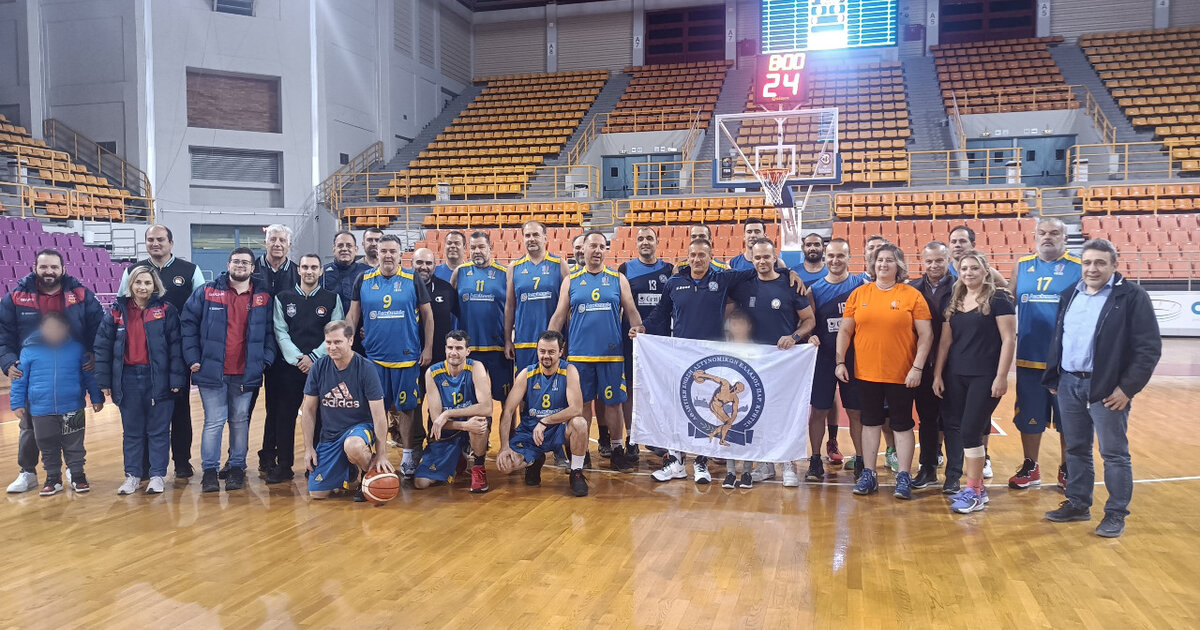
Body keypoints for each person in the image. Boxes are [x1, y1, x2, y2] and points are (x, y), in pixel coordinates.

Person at [642, 237, 799, 484]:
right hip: (681, 356)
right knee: (678, 408)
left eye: (702, 255)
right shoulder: (674, 283)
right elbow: (660, 313)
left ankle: (701, 462)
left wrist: (787, 271)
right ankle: (676, 463)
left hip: (710, 356)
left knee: (704, 411)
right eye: (693, 255)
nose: (697, 259)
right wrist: (642, 328)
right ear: (687, 257)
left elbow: (757, 269)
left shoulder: (722, 279)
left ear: (711, 257)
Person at [1042, 239, 1161, 538]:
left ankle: (1116, 513)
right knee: (1076, 448)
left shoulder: (1131, 296)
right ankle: (1078, 504)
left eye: (1100, 263)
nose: (1092, 269)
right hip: (1069, 383)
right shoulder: (1070, 293)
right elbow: (1059, 337)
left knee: (1114, 453)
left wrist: (1127, 388)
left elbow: (1148, 348)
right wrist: (1055, 377)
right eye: (1087, 263)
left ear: (1114, 265)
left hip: (1108, 388)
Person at [835, 243, 933, 500]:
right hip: (866, 374)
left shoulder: (912, 295)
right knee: (870, 424)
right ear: (873, 264)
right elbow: (845, 330)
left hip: (902, 375)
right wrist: (840, 361)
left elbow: (926, 335)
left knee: (902, 425)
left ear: (898, 265)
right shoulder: (859, 294)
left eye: (889, 260)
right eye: (880, 260)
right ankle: (869, 474)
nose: (884, 264)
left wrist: (917, 367)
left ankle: (903, 475)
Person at [1, 249, 103, 494]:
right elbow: (3, 332)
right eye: (44, 267)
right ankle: (28, 472)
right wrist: (8, 361)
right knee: (30, 428)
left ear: (63, 269)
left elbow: (98, 327)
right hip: (34, 373)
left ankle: (74, 470)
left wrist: (94, 353)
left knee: (72, 429)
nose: (49, 271)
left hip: (71, 371)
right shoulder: (16, 296)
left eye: (54, 267)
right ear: (35, 268)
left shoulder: (81, 294)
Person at [181, 247, 278, 493]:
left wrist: (265, 360)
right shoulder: (207, 291)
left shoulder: (263, 297)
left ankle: (237, 467)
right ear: (228, 264)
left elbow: (271, 332)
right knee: (214, 422)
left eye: (245, 262)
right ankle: (209, 471)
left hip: (246, 372)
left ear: (253, 268)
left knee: (239, 422)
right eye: (236, 261)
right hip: (211, 371)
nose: (240, 265)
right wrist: (192, 357)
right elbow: (188, 325)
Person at [548, 230, 646, 471]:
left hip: (611, 355)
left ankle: (616, 450)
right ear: (583, 249)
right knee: (581, 406)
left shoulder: (617, 279)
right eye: (593, 246)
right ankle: (582, 452)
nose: (597, 251)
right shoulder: (571, 280)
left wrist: (639, 329)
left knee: (614, 405)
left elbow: (632, 312)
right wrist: (549, 344)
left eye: (602, 247)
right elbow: (559, 315)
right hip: (579, 356)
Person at [727, 238, 817, 487]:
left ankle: (788, 464)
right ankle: (766, 464)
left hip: (783, 361)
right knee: (759, 413)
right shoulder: (744, 285)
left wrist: (794, 337)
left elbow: (809, 320)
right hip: (753, 362)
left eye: (766, 257)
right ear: (752, 259)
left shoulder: (790, 285)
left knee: (784, 413)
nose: (762, 261)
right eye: (757, 257)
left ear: (775, 257)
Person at [117, 225, 206, 478]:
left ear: (171, 243)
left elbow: (202, 308)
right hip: (142, 356)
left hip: (177, 352)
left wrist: (194, 349)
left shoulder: (190, 271)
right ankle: (146, 466)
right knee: (146, 411)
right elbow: (121, 308)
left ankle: (182, 461)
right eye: (150, 239)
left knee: (180, 409)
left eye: (160, 239)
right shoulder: (132, 271)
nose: (155, 243)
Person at [932, 251, 1016, 513]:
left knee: (971, 431)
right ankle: (977, 489)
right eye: (964, 268)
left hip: (985, 376)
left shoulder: (999, 298)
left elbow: (1009, 339)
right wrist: (938, 375)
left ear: (985, 271)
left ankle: (973, 491)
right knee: (960, 429)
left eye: (974, 268)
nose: (969, 273)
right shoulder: (956, 299)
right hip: (955, 375)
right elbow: (945, 342)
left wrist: (1001, 377)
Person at [345, 235, 434, 478]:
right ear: (377, 252)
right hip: (374, 359)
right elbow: (352, 315)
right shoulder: (363, 279)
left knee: (407, 409)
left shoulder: (412, 279)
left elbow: (428, 315)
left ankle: (407, 455)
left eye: (392, 251)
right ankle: (378, 454)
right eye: (383, 250)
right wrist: (348, 343)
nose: (387, 255)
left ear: (400, 254)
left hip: (407, 357)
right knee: (376, 410)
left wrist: (427, 348)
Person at [95, 265, 187, 495]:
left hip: (159, 378)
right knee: (132, 432)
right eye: (138, 282)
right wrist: (104, 382)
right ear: (130, 285)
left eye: (147, 282)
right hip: (127, 379)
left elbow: (176, 347)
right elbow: (103, 347)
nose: (142, 287)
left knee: (159, 431)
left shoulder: (166, 310)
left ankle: (157, 476)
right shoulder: (116, 311)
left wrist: (176, 379)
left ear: (155, 285)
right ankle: (133, 476)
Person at [1010, 217, 1081, 490]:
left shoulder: (1078, 267)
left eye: (1054, 233)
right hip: (1028, 357)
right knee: (1029, 418)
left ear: (1065, 238)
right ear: (1035, 236)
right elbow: (1006, 300)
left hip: (1066, 362)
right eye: (1042, 233)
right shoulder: (1022, 265)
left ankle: (1067, 468)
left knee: (1068, 420)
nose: (1047, 237)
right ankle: (1031, 466)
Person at [267, 254, 344, 484]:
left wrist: (314, 357)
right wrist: (298, 359)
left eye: (314, 267)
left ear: (321, 271)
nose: (309, 271)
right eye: (305, 267)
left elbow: (336, 330)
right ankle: (284, 465)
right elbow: (280, 331)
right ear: (298, 270)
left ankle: (316, 465)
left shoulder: (332, 299)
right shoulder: (283, 298)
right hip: (290, 368)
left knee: (320, 417)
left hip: (322, 367)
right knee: (285, 416)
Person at [9, 313, 104, 496]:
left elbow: (89, 376)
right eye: (49, 327)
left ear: (66, 329)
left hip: (73, 407)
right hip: (40, 410)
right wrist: (17, 403)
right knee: (47, 445)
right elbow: (20, 381)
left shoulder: (77, 350)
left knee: (74, 444)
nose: (53, 331)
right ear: (41, 329)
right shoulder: (29, 351)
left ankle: (77, 475)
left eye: (58, 327)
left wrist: (96, 397)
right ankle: (53, 478)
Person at [300, 321, 395, 500]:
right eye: (328, 342)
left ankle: (367, 475)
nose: (332, 347)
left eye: (337, 342)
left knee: (353, 445)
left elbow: (379, 415)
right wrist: (309, 448)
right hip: (331, 435)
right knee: (317, 494)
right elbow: (309, 410)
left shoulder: (366, 368)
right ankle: (349, 468)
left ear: (350, 341)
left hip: (359, 429)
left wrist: (382, 454)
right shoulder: (318, 367)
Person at [495, 331, 590, 497]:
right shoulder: (526, 374)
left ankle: (576, 472)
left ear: (561, 352)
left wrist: (546, 420)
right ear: (537, 350)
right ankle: (534, 460)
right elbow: (508, 411)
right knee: (506, 465)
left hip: (558, 429)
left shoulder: (569, 370)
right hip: (531, 432)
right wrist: (504, 447)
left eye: (551, 352)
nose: (546, 356)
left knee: (580, 423)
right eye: (542, 351)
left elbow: (576, 409)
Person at [803, 239, 866, 483]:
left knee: (855, 411)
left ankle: (861, 459)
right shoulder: (814, 290)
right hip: (824, 358)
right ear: (825, 258)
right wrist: (809, 335)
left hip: (855, 359)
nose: (835, 260)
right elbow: (808, 323)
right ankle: (815, 459)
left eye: (841, 255)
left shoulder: (861, 286)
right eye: (831, 256)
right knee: (819, 410)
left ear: (849, 257)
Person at [617, 227, 674, 457]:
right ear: (636, 243)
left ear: (657, 242)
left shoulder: (669, 269)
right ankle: (632, 437)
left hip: (660, 341)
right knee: (631, 387)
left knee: (658, 389)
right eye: (640, 238)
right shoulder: (625, 269)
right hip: (632, 338)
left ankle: (656, 436)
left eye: (649, 238)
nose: (645, 242)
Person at [415, 331, 493, 492]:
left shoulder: (476, 367)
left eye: (459, 348)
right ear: (445, 349)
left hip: (471, 424)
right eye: (450, 347)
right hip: (449, 430)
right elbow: (436, 419)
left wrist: (448, 413)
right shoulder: (432, 373)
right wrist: (463, 425)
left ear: (467, 351)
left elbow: (487, 408)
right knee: (421, 482)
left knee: (479, 422)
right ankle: (459, 457)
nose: (453, 352)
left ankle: (478, 468)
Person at [908, 241, 955, 492]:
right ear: (922, 261)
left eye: (939, 260)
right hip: (924, 364)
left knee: (953, 420)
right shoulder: (912, 289)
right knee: (927, 419)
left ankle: (954, 473)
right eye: (929, 261)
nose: (934, 265)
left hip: (955, 365)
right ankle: (927, 469)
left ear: (949, 260)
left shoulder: (962, 287)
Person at [451, 232, 512, 404]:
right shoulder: (460, 272)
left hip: (498, 346)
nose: (477, 251)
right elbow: (450, 307)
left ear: (490, 248)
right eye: (473, 247)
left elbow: (511, 308)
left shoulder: (504, 273)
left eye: (481, 247)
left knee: (506, 396)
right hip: (468, 348)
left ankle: (508, 424)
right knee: (470, 397)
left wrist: (509, 340)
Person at [505, 220, 570, 374]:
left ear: (545, 238)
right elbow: (510, 306)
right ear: (522, 239)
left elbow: (568, 308)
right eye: (527, 235)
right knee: (525, 384)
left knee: (555, 384)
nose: (531, 239)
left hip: (553, 342)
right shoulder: (514, 267)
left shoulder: (559, 264)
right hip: (524, 340)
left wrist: (567, 340)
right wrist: (507, 340)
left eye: (536, 235)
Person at [719, 309, 756, 489]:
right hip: (730, 400)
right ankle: (730, 472)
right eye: (733, 323)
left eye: (740, 323)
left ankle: (747, 472)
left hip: (749, 399)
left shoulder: (757, 349)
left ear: (748, 326)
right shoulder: (724, 348)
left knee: (748, 433)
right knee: (729, 431)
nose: (736, 327)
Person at [412, 248, 460, 368]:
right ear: (411, 263)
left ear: (434, 265)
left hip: (439, 357)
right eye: (419, 262)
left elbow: (463, 314)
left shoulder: (446, 289)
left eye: (428, 263)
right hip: (408, 355)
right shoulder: (403, 288)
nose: (424, 267)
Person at [948, 225, 1009, 290]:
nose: (957, 245)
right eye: (953, 242)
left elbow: (1009, 291)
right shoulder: (945, 272)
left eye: (962, 241)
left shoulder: (987, 272)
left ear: (973, 245)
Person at [322, 230, 371, 306]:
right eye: (340, 245)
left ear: (356, 250)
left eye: (349, 246)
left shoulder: (368, 272)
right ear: (334, 250)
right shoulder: (322, 273)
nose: (344, 249)